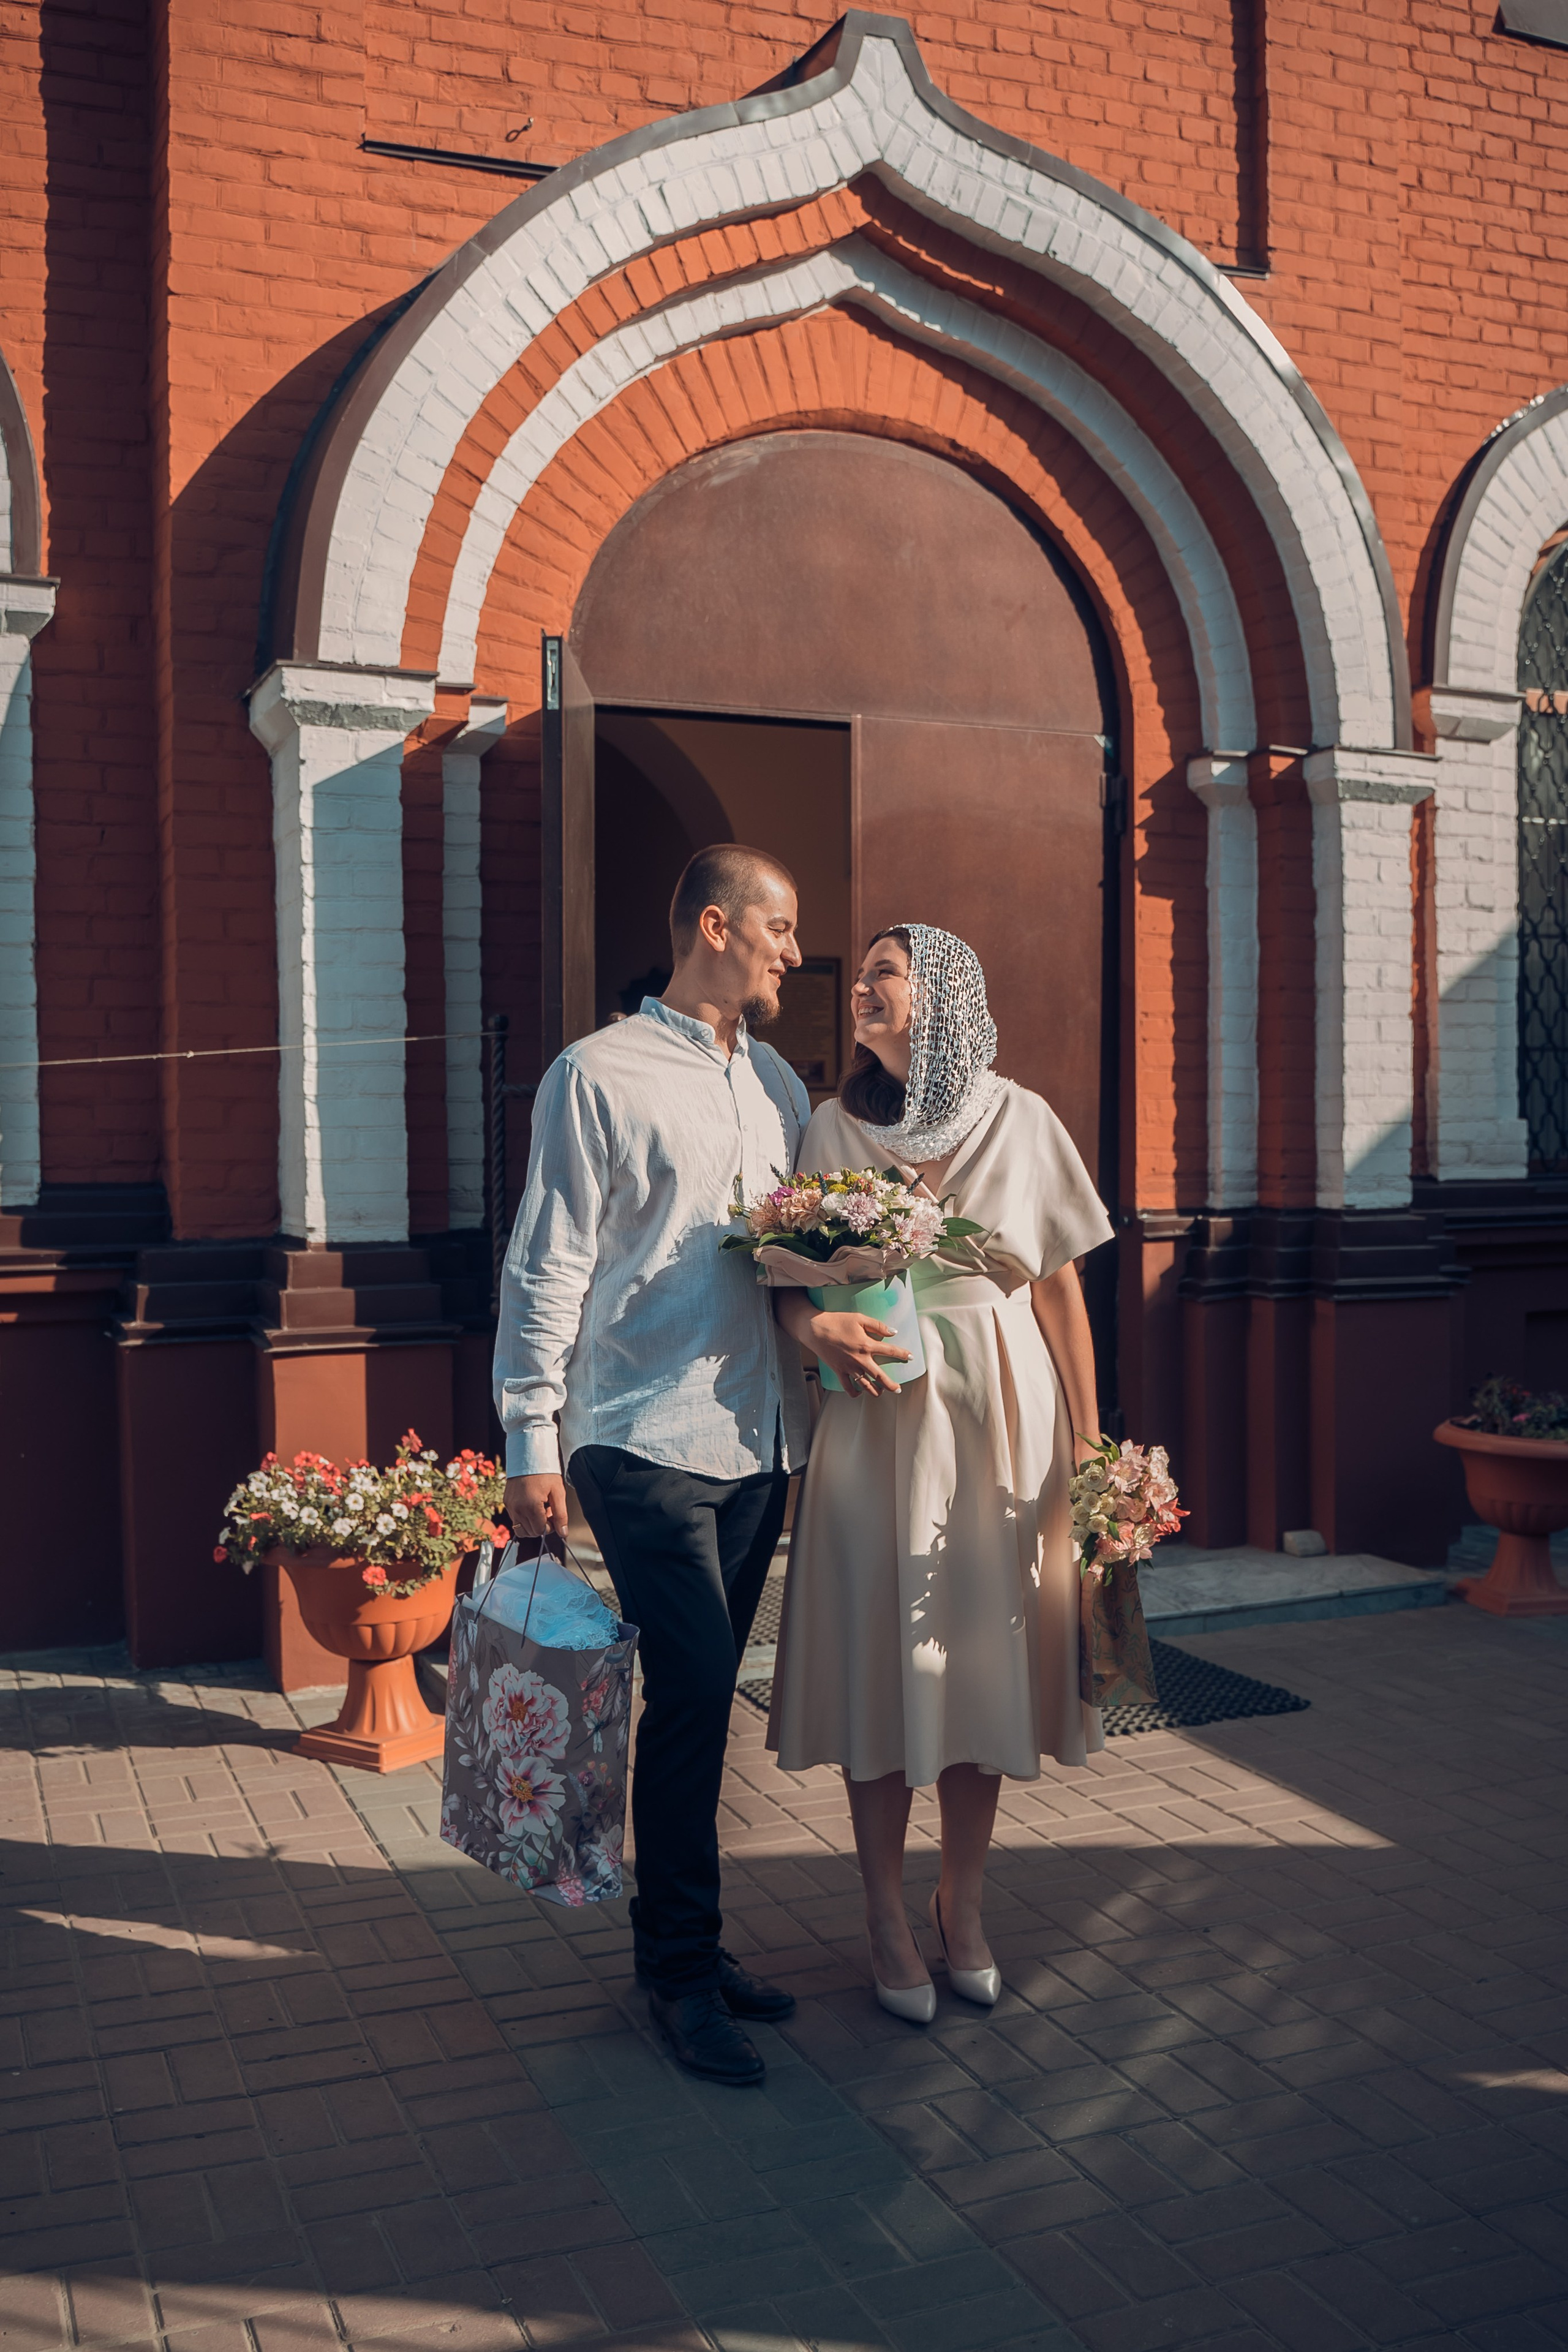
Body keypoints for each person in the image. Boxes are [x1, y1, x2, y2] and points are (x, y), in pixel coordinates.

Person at [495, 844, 812, 2087]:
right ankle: (677, 1974)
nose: (794, 951)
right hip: (636, 1434)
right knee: (686, 1686)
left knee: (698, 1704)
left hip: (757, 1436)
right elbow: (547, 1260)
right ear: (716, 926)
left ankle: (685, 1942)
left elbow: (789, 1251)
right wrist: (529, 1438)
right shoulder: (596, 1075)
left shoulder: (778, 1081)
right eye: (779, 929)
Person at [769, 922, 1113, 2021]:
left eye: (884, 972)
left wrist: (1092, 1446)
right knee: (886, 1656)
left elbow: (1058, 1288)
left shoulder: (1024, 1116)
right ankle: (880, 1911)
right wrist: (815, 1325)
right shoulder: (829, 1126)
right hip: (878, 1420)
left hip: (1007, 1414)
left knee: (982, 1662)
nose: (860, 986)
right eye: (860, 971)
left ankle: (961, 1903)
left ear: (944, 997)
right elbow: (791, 1276)